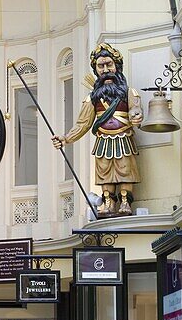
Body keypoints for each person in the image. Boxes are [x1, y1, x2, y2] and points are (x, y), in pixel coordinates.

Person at [52, 42, 143, 216]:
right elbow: (83, 124)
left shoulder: (129, 92)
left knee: (125, 169)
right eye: (101, 66)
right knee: (104, 172)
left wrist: (136, 114)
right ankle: (108, 203)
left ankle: (125, 202)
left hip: (124, 137)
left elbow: (135, 108)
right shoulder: (91, 98)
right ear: (96, 70)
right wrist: (65, 138)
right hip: (102, 140)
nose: (106, 70)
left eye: (109, 64)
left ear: (117, 67)